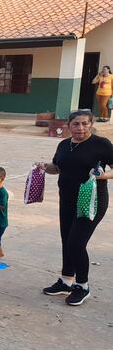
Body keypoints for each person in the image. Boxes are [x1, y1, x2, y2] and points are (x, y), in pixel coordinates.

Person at [38, 109, 113, 306]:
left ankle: (82, 285)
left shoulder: (101, 144)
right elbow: (58, 167)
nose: (80, 128)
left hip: (91, 202)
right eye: (76, 124)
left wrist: (102, 176)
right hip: (67, 200)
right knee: (67, 239)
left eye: (85, 124)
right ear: (68, 126)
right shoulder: (64, 145)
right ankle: (66, 280)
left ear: (91, 124)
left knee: (76, 243)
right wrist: (45, 167)